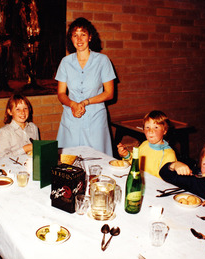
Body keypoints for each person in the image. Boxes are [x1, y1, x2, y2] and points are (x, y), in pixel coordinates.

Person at [55, 17, 116, 156]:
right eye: (75, 35)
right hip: (71, 118)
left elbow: (109, 93)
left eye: (83, 34)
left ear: (90, 37)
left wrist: (85, 102)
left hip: (95, 119)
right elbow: (61, 93)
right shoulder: (65, 62)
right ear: (71, 39)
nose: (79, 39)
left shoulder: (103, 60)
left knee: (98, 161)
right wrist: (72, 104)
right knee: (68, 161)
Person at [117, 110, 177, 178]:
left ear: (164, 131)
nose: (150, 131)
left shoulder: (168, 154)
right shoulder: (145, 144)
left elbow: (168, 180)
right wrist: (127, 155)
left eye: (156, 127)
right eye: (147, 127)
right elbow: (135, 162)